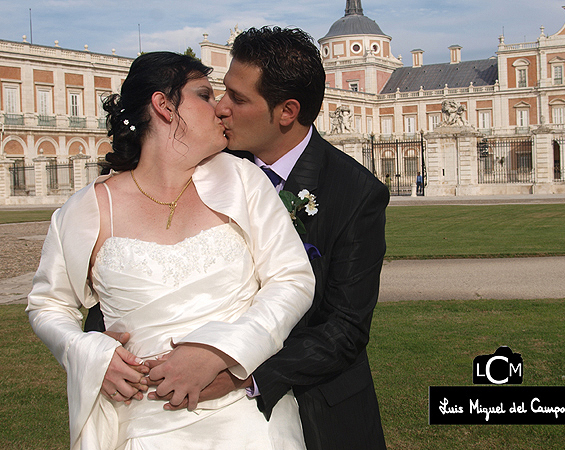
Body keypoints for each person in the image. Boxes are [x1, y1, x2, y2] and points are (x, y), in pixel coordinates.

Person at [26, 51, 314, 450]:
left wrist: (218, 352)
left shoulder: (244, 180)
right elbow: (47, 305)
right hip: (140, 422)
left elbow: (292, 279)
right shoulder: (85, 210)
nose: (220, 108)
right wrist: (90, 353)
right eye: (203, 94)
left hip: (247, 423)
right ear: (163, 105)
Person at [150, 27, 388, 450]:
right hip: (208, 419)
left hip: (321, 411)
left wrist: (240, 372)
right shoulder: (206, 169)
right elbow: (153, 254)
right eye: (223, 93)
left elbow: (344, 329)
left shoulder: (355, 192)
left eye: (238, 99)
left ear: (286, 111)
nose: (220, 108)